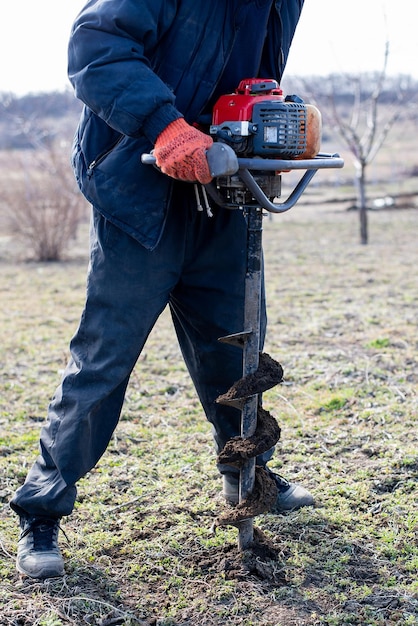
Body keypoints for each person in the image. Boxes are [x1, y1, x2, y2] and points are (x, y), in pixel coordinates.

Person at [10, 0, 314, 579]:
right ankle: (41, 508)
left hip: (222, 192)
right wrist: (166, 125)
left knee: (237, 349)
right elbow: (94, 48)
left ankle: (245, 471)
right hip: (140, 191)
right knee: (105, 359)